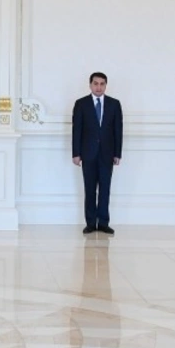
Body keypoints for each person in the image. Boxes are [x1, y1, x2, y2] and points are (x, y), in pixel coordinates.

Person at [72, 72, 123, 234]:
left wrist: (117, 153)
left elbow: (118, 130)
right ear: (90, 85)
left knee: (105, 189)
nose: (99, 87)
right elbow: (77, 130)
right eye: (96, 83)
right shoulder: (81, 104)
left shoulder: (114, 104)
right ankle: (90, 222)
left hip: (107, 154)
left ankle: (103, 223)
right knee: (89, 189)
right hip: (88, 153)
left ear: (106, 85)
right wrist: (76, 153)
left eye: (102, 84)